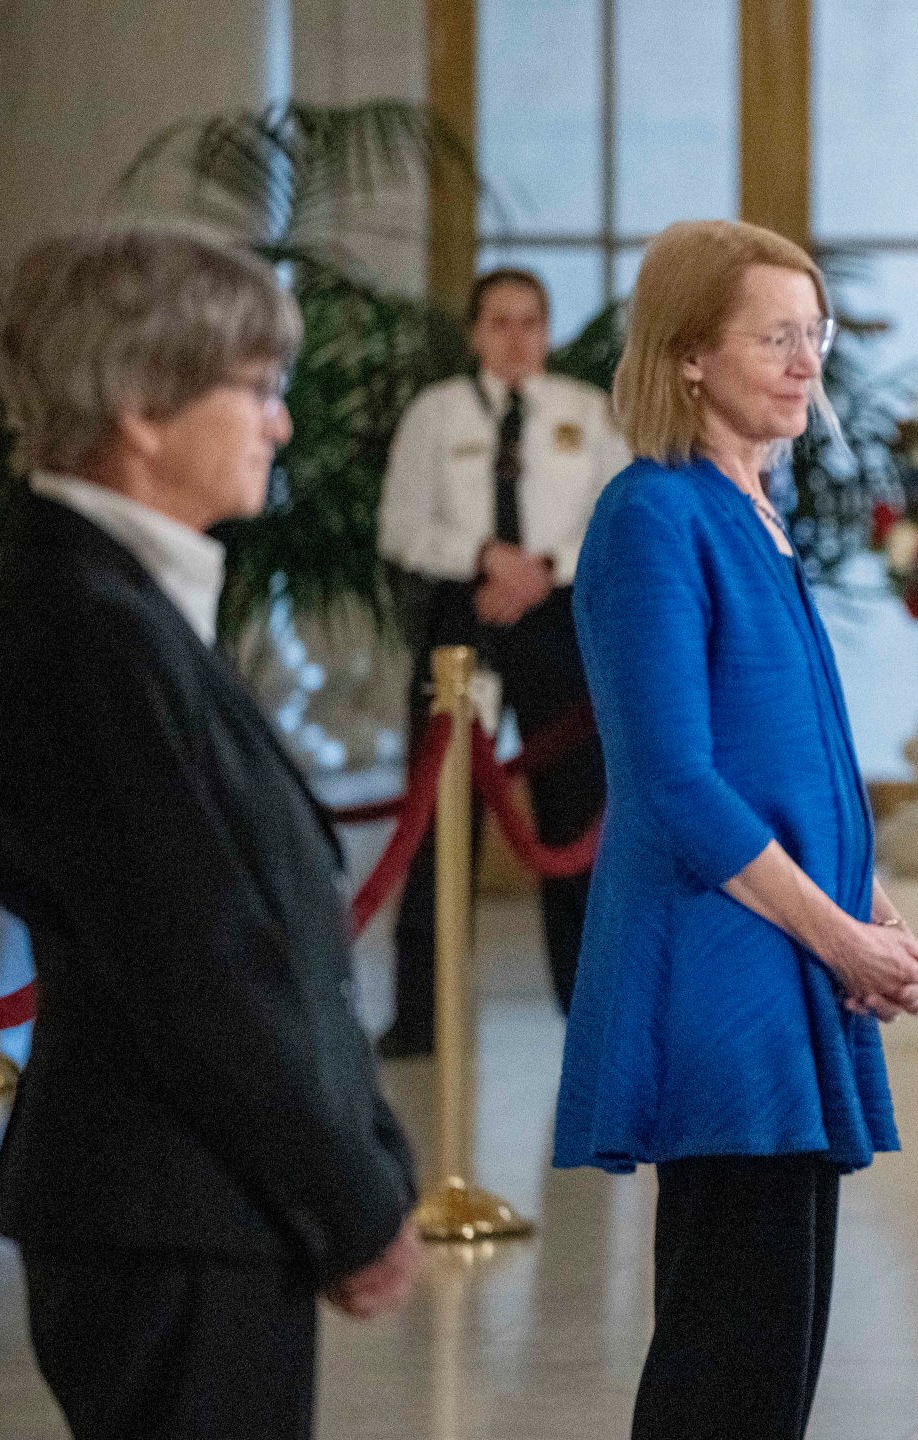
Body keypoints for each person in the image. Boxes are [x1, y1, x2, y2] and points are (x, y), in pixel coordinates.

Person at [0, 226, 422, 1439]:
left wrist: (364, 1159)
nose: (279, 422)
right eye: (258, 389)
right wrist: (352, 1197)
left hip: (206, 1201)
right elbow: (197, 964)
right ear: (141, 408)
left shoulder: (124, 602)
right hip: (163, 1209)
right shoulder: (81, 627)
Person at [553, 218, 918, 1440]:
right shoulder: (650, 516)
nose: (804, 362)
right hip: (720, 972)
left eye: (814, 337)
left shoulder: (754, 513)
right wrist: (838, 935)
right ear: (684, 354)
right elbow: (674, 782)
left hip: (787, 967)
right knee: (731, 1357)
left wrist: (867, 904)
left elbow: (804, 753)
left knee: (775, 1349)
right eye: (774, 336)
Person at [374, 266, 628, 1054]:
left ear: (548, 331)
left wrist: (541, 571)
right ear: (475, 332)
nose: (515, 338)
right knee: (442, 812)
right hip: (467, 613)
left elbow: (617, 519)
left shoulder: (589, 414)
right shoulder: (436, 414)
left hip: (561, 615)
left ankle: (591, 1014)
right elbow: (401, 527)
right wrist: (486, 556)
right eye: (499, 322)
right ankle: (422, 1018)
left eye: (530, 322)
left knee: (574, 814)